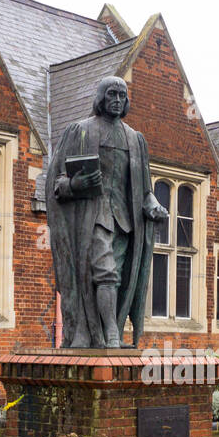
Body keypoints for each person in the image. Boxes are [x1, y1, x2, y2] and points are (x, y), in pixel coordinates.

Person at [47, 76, 168, 348]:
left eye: (122, 96)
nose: (117, 100)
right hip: (93, 218)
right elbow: (58, 183)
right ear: (101, 98)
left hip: (126, 222)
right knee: (106, 273)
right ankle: (110, 334)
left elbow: (144, 190)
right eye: (111, 94)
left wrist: (153, 205)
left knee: (120, 280)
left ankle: (107, 333)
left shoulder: (135, 140)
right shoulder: (81, 131)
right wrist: (75, 184)